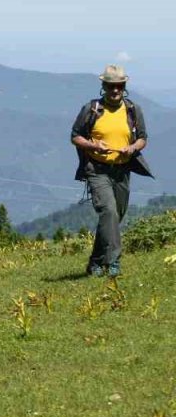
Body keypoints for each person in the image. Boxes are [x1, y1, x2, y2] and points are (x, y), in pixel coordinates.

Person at [71, 64, 153, 277]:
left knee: (114, 217)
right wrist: (93, 146)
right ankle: (113, 262)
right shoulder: (91, 109)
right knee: (108, 211)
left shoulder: (133, 110)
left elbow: (143, 138)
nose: (115, 90)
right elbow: (75, 136)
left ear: (124, 86)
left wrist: (132, 148)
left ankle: (95, 262)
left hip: (122, 170)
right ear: (103, 86)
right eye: (110, 86)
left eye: (119, 86)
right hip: (97, 170)